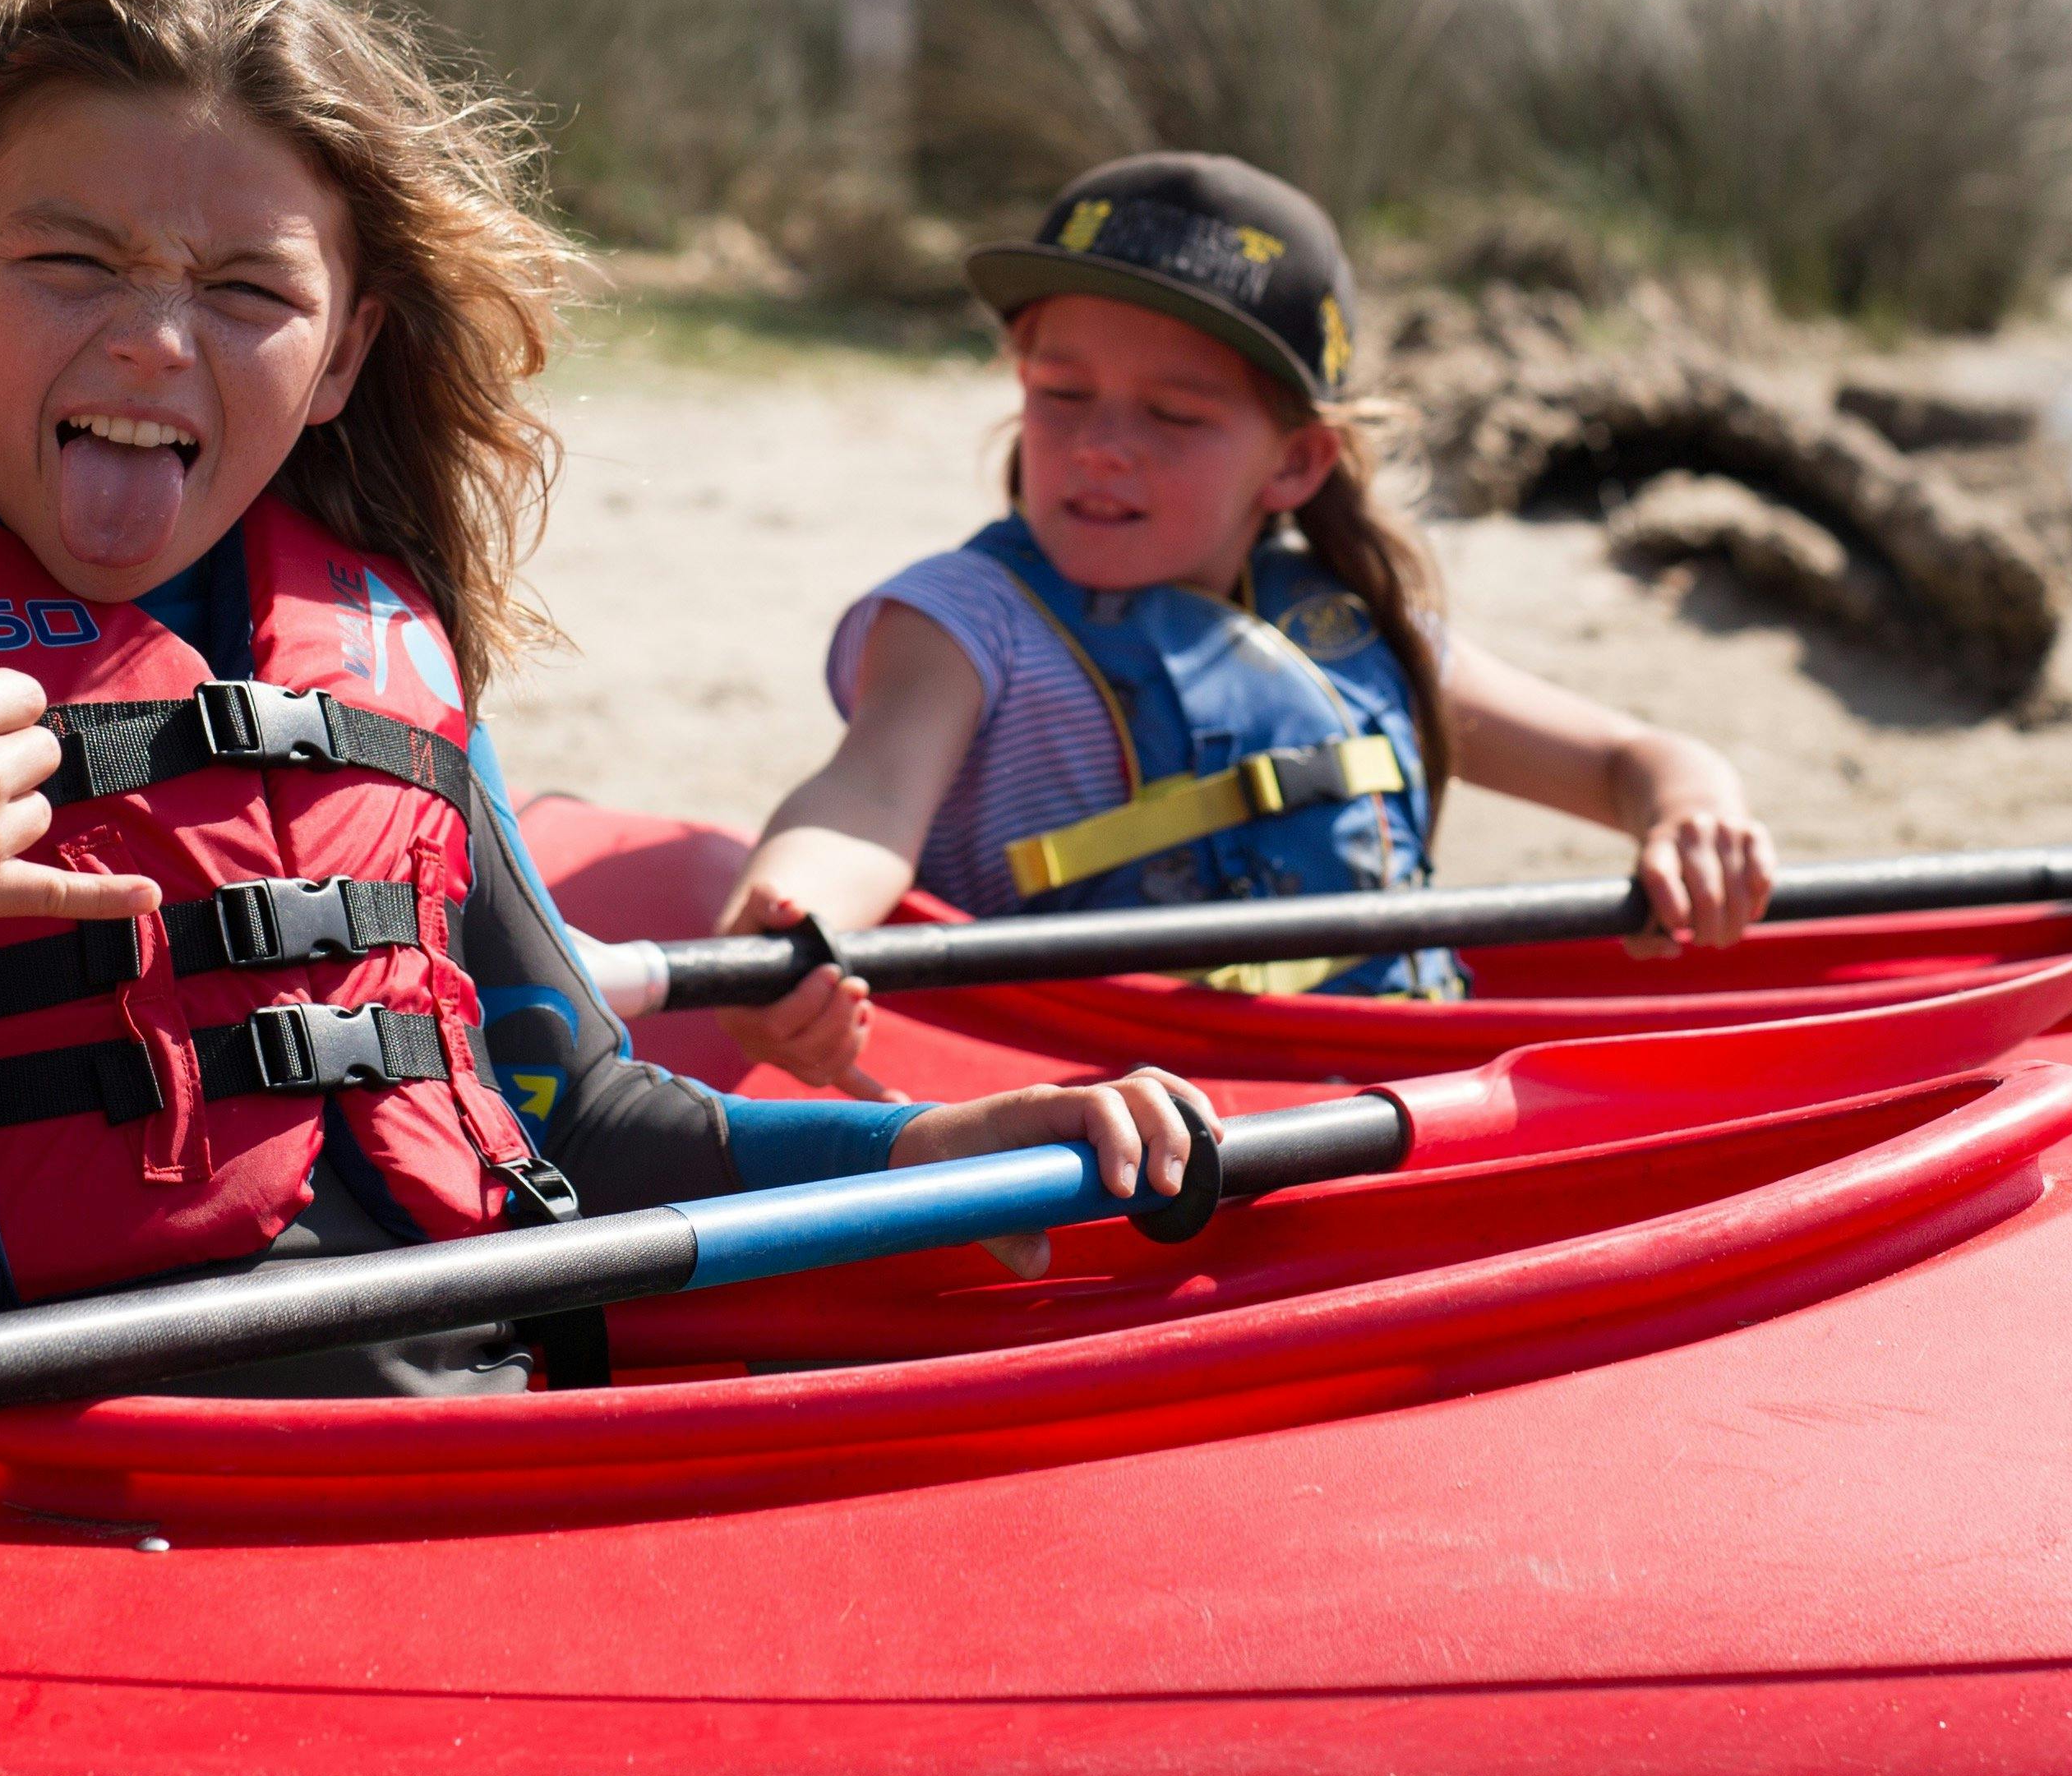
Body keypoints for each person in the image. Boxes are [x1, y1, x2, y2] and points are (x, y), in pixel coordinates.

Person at [0, 0, 1196, 1379]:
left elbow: (576, 1115)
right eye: (70, 261)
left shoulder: (384, 667)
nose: (155, 340)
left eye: (248, 291)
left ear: (342, 356)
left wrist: (919, 1152)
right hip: (21, 1506)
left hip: (460, 1457)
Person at [714, 150, 1777, 1097]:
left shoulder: (1359, 631)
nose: (1100, 445)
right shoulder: (966, 622)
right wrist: (789, 922)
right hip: (1115, 1124)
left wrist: (1692, 811)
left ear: (1297, 461)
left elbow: (1630, 761)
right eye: (1061, 393)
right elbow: (865, 801)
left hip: (1383, 1100)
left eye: (1172, 413)